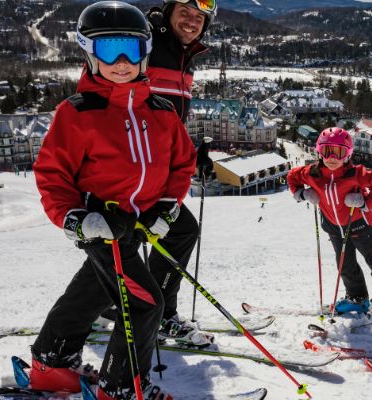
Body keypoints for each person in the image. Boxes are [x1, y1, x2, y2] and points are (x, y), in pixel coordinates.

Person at [30, 2, 196, 399]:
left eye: (132, 50)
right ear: (90, 53)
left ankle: (52, 362)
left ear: (145, 54)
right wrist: (76, 219)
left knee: (95, 289)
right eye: (108, 51)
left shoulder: (161, 111)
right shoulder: (78, 113)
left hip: (137, 223)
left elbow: (182, 164)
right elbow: (52, 175)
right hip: (101, 224)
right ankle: (121, 388)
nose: (121, 62)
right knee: (145, 304)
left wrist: (167, 208)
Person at [94, 0, 216, 345]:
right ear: (169, 10)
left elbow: (165, 123)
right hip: (128, 170)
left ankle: (103, 308)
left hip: (152, 169)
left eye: (199, 17)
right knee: (174, 232)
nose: (192, 21)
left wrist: (193, 155)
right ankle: (158, 314)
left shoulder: (181, 56)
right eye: (185, 12)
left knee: (118, 243)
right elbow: (110, 92)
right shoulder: (146, 42)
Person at [287, 128, 372, 316]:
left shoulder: (356, 173)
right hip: (333, 227)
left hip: (360, 225)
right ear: (319, 152)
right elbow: (292, 176)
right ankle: (357, 299)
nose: (332, 157)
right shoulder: (312, 173)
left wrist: (365, 203)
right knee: (345, 264)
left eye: (339, 152)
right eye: (327, 151)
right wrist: (302, 193)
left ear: (348, 154)